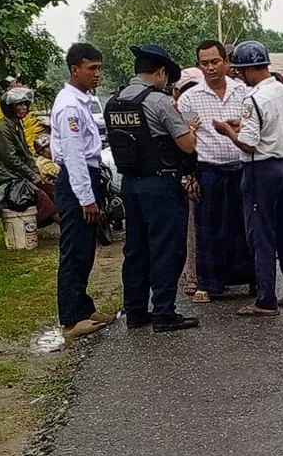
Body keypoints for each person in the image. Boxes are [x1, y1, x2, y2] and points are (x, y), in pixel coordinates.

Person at [105, 44, 202, 333]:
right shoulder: (159, 102)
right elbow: (187, 144)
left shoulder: (115, 101)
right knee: (167, 248)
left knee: (135, 249)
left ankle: (135, 311)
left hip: (130, 185)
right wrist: (190, 127)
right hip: (160, 184)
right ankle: (163, 312)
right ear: (160, 72)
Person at [213, 41, 283, 317]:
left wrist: (227, 132)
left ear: (247, 70)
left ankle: (265, 298)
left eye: (239, 71)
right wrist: (242, 125)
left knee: (261, 234)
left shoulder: (253, 98)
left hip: (260, 171)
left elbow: (248, 143)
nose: (238, 76)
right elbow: (277, 128)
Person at [178, 40, 255, 303]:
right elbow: (184, 141)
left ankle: (253, 280)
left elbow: (252, 129)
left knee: (245, 228)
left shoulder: (244, 92)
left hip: (241, 167)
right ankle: (208, 284)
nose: (210, 68)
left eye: (215, 61)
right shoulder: (189, 98)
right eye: (204, 63)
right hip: (208, 169)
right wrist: (188, 175)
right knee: (208, 229)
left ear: (226, 62)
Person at [51, 43, 114, 341]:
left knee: (86, 250)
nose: (97, 74)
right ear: (75, 69)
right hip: (77, 180)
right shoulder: (70, 106)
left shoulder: (84, 100)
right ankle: (71, 319)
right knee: (75, 252)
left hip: (87, 175)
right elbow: (74, 155)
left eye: (99, 68)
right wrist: (86, 198)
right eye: (92, 68)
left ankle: (83, 307)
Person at [0, 88, 58, 227]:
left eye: (25, 104)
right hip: (10, 178)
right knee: (48, 205)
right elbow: (11, 159)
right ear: (10, 108)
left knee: (55, 191)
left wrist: (38, 169)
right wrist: (32, 175)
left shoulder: (16, 125)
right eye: (19, 105)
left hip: (21, 176)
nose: (24, 108)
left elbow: (25, 154)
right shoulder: (3, 129)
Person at [173, 67, 205, 297]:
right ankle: (193, 277)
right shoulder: (177, 112)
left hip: (198, 172)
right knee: (192, 230)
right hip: (189, 175)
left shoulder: (184, 109)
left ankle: (195, 277)